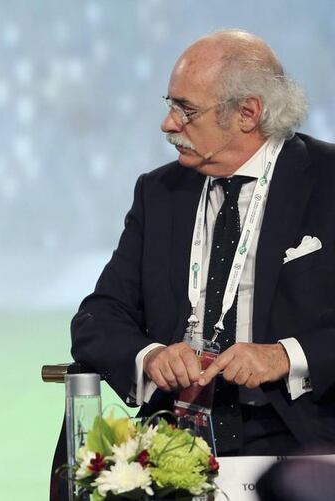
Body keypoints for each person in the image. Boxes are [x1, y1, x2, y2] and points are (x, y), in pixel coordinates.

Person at [70, 29, 335, 456]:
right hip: (175, 432)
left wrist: (285, 356)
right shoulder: (159, 192)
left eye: (186, 109)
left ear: (247, 113)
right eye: (170, 105)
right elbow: (98, 317)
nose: (168, 123)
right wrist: (151, 356)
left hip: (300, 433)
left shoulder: (327, 179)